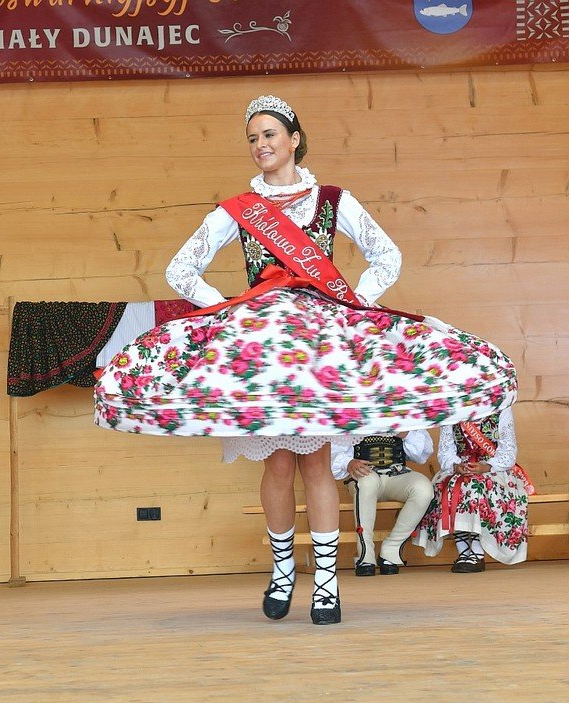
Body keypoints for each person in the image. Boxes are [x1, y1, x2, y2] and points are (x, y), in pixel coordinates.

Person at [93, 95, 517, 625]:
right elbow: (181, 270)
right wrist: (228, 309)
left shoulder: (334, 200)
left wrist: (355, 302)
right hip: (264, 346)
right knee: (277, 461)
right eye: (252, 138)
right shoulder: (237, 209)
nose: (260, 145)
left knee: (316, 460)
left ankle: (325, 583)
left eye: (269, 134)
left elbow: (387, 255)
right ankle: (282, 573)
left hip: (320, 345)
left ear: (294, 139)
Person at [414, 408, 529, 572]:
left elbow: (508, 451)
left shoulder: (501, 407)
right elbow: (445, 453)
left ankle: (476, 552)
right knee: (449, 486)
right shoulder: (452, 409)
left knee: (475, 486)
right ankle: (464, 552)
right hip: (460, 468)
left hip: (494, 469)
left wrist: (486, 466)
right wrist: (456, 466)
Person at [331, 430, 434, 576]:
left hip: (397, 473)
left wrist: (406, 433)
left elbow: (422, 454)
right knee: (367, 482)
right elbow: (334, 449)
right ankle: (365, 556)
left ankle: (391, 550)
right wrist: (348, 462)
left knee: (423, 489)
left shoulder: (404, 417)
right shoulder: (354, 417)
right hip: (365, 473)